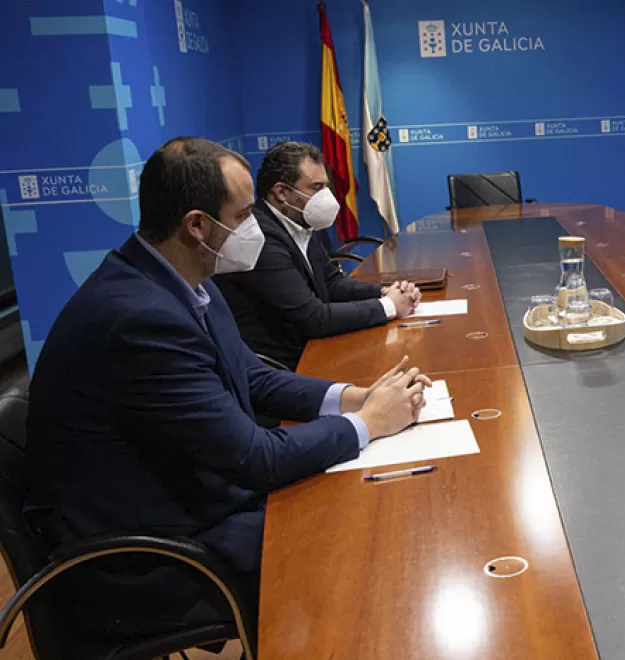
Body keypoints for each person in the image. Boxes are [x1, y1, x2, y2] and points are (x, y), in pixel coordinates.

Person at [24, 137, 429, 641]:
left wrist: (355, 397)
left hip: (188, 502)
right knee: (355, 544)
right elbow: (254, 458)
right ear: (196, 225)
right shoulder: (138, 319)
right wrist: (368, 423)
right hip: (145, 556)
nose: (255, 227)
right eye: (243, 216)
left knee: (355, 508)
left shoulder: (186, 279)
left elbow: (253, 378)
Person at [214, 141, 419, 371]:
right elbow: (312, 318)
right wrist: (389, 306)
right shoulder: (260, 238)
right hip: (285, 365)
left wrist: (385, 292)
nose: (326, 196)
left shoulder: (301, 220)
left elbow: (331, 282)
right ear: (281, 192)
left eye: (325, 186)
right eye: (316, 187)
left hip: (313, 346)